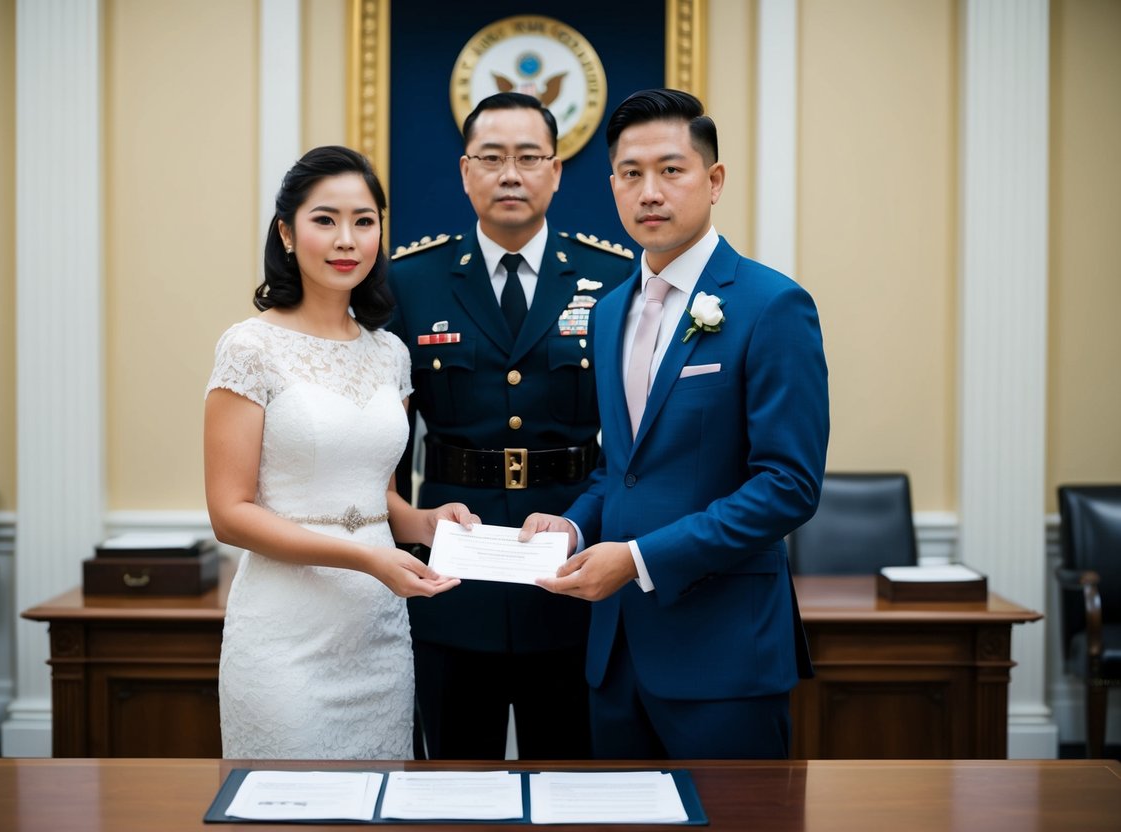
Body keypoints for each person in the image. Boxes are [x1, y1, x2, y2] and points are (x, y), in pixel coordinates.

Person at [519, 89, 829, 759]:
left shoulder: (771, 305)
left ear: (713, 181)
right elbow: (621, 469)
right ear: (611, 185)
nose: (649, 191)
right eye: (630, 174)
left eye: (671, 169)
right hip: (614, 654)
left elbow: (787, 485)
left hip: (722, 656)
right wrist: (572, 523)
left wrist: (635, 560)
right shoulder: (607, 312)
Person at [203, 146, 478, 760]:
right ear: (287, 231)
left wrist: (426, 523)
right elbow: (230, 512)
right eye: (325, 219)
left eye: (364, 220)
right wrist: (365, 559)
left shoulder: (390, 353)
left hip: (378, 636)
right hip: (285, 637)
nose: (346, 239)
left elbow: (373, 495)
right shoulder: (249, 347)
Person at [386, 92, 635, 759]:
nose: (510, 175)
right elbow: (386, 441)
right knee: (454, 781)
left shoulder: (613, 278)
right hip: (450, 572)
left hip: (570, 566)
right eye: (491, 158)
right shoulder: (409, 282)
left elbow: (632, 442)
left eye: (528, 158)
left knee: (572, 777)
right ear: (465, 171)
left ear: (555, 172)